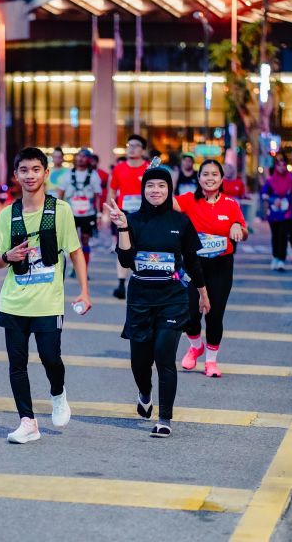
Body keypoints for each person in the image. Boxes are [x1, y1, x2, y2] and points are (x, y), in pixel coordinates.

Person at [0, 147, 91, 444]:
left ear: (46, 173)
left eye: (36, 169)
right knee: (17, 364)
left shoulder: (60, 210)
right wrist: (8, 256)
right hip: (14, 301)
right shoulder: (8, 214)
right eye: (24, 170)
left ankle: (58, 394)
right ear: (16, 175)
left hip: (48, 302)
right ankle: (28, 422)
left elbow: (75, 252)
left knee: (50, 358)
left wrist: (84, 291)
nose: (30, 175)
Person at [105, 166, 210, 438]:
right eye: (150, 186)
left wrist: (203, 293)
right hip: (140, 299)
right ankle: (144, 392)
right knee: (139, 363)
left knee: (164, 356)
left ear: (169, 189)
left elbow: (193, 261)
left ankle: (165, 418)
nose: (156, 190)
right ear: (143, 190)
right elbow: (125, 261)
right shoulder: (132, 219)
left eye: (161, 186)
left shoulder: (180, 222)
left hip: (173, 298)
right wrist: (123, 227)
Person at [174, 159, 248, 377]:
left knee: (214, 315)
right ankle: (196, 346)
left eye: (215, 174)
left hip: (221, 267)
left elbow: (244, 232)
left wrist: (237, 227)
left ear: (222, 179)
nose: (210, 178)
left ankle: (211, 362)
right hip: (192, 265)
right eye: (205, 174)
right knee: (189, 314)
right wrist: (154, 178)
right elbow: (163, 201)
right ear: (198, 178)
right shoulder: (189, 200)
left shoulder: (231, 204)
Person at [106, 134, 149, 298]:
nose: (131, 148)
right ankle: (121, 284)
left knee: (143, 248)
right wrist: (107, 213)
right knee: (122, 248)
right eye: (129, 145)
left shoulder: (149, 168)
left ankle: (142, 281)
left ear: (143, 150)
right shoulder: (119, 168)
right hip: (123, 214)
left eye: (135, 145)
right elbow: (112, 191)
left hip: (144, 215)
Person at [57, 148, 102, 276]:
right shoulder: (67, 175)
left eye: (84, 156)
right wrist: (59, 212)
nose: (80, 158)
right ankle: (74, 267)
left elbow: (97, 197)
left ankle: (84, 269)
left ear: (89, 159)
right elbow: (60, 194)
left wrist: (99, 214)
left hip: (88, 214)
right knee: (73, 242)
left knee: (85, 241)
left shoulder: (93, 175)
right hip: (71, 214)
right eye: (79, 155)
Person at [261, 154, 292, 271]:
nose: (282, 167)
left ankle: (281, 260)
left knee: (283, 236)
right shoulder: (270, 181)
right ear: (276, 166)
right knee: (275, 236)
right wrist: (273, 200)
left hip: (286, 213)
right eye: (279, 165)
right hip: (274, 213)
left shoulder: (291, 180)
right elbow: (264, 194)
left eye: (284, 165)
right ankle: (275, 257)